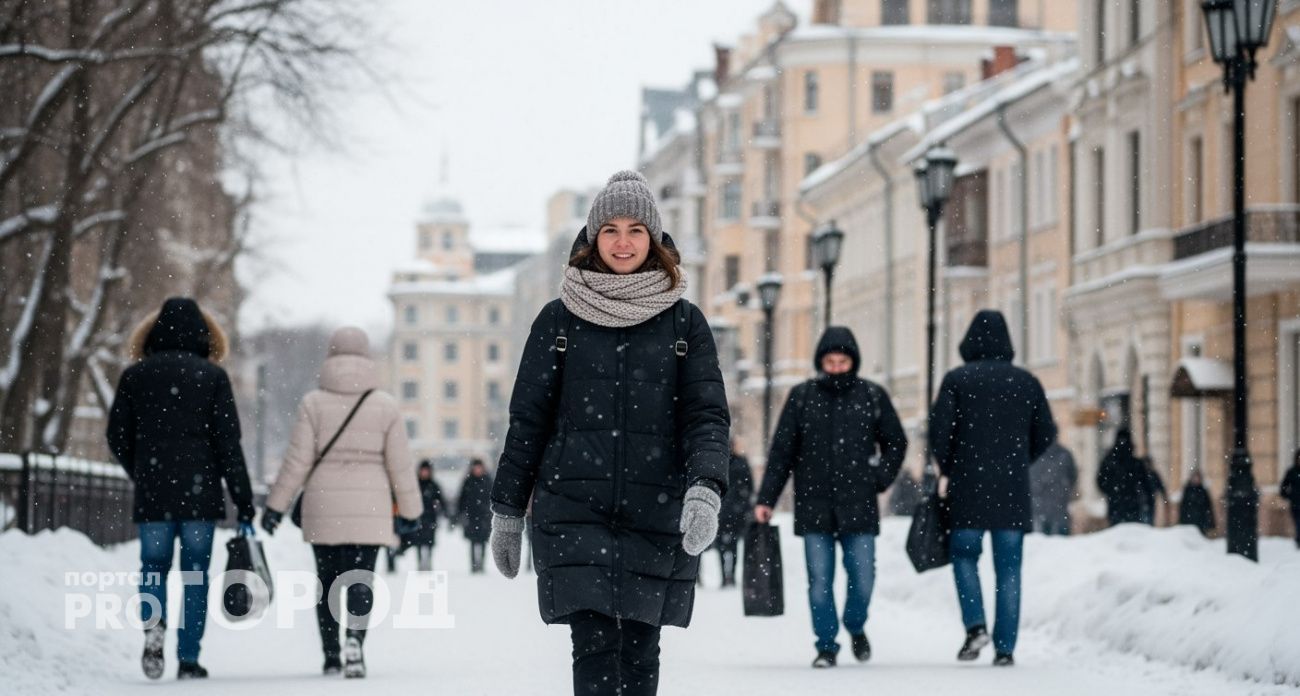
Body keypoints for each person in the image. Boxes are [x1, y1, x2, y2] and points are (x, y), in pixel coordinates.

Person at [489, 170, 730, 696]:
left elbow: (706, 417)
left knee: (641, 646)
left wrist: (705, 488)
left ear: (654, 239)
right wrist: (507, 510)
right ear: (593, 238)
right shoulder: (558, 321)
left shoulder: (684, 324)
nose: (623, 242)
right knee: (594, 644)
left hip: (656, 508)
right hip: (574, 508)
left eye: (636, 230)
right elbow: (527, 422)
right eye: (611, 230)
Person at [260, 327, 422, 679]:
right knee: (361, 578)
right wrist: (411, 511)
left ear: (331, 357)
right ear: (367, 358)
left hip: (324, 504)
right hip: (371, 507)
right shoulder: (385, 405)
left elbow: (297, 461)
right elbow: (400, 464)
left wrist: (275, 507)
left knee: (328, 580)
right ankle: (355, 642)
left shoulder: (313, 403)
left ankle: (332, 655)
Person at [107, 298, 255, 681]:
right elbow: (229, 444)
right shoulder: (212, 377)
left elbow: (117, 435)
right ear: (205, 335)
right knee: (195, 575)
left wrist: (142, 470)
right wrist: (243, 499)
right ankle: (188, 658)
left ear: (154, 333)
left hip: (154, 492)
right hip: (199, 495)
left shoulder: (135, 376)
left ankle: (153, 626)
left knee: (153, 567)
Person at [754, 326, 908, 668]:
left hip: (859, 503)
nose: (836, 368)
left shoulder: (871, 395)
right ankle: (826, 645)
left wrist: (878, 479)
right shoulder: (802, 397)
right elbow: (782, 453)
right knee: (819, 582)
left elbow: (896, 442)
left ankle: (855, 623)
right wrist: (766, 499)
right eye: (830, 362)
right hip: (814, 504)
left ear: (853, 362)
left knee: (863, 578)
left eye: (842, 362)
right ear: (820, 362)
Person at [929, 310, 1057, 668]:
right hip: (1011, 489)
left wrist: (951, 466)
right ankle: (1005, 647)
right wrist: (1018, 458)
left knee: (964, 556)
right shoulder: (1026, 382)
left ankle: (975, 627)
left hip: (967, 487)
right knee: (1009, 569)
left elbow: (939, 434)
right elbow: (1046, 432)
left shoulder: (957, 380)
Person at [715, 441, 753, 587]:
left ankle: (727, 577)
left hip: (727, 510)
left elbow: (749, 487)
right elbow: (749, 487)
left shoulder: (720, 461)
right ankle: (728, 576)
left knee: (726, 545)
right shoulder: (739, 463)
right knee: (730, 545)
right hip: (730, 510)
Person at [1097, 429, 1145, 526]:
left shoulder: (1110, 461)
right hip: (1130, 505)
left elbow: (1100, 481)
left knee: (1118, 530)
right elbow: (1144, 483)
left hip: (1117, 504)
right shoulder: (1134, 462)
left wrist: (1111, 491)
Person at [1028, 442, 1077, 535]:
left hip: (1036, 510)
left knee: (1037, 540)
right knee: (1059, 541)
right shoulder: (1064, 454)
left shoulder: (1030, 452)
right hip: (1058, 510)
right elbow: (1073, 477)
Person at [409, 460, 448, 571]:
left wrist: (444, 512)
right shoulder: (415, 485)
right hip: (418, 518)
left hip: (431, 518)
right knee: (418, 543)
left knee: (430, 542)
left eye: (426, 470)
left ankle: (429, 562)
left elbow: (442, 501)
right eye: (423, 470)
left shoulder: (434, 485)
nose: (424, 473)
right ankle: (420, 563)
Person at [457, 458, 493, 573]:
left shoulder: (488, 481)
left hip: (485, 516)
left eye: (479, 467)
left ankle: (481, 564)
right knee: (473, 541)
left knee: (483, 541)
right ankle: (473, 565)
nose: (477, 470)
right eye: (475, 468)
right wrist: (461, 513)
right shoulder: (468, 481)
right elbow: (462, 499)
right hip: (472, 517)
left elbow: (493, 498)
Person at [1177, 470, 1215, 537]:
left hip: (1200, 520)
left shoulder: (1203, 491)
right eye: (1195, 477)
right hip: (1189, 519)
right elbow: (1183, 506)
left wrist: (1211, 522)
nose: (1196, 479)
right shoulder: (1187, 490)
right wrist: (1181, 520)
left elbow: (1208, 507)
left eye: (1197, 478)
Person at [1139, 457, 1168, 526]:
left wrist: (1164, 497)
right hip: (1142, 499)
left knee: (1148, 518)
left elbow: (1160, 487)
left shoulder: (1153, 474)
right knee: (1143, 519)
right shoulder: (1141, 474)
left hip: (1149, 499)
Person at [1280, 450, 1300, 548]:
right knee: (1298, 522)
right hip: (1296, 503)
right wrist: (1289, 496)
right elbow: (1284, 486)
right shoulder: (1292, 472)